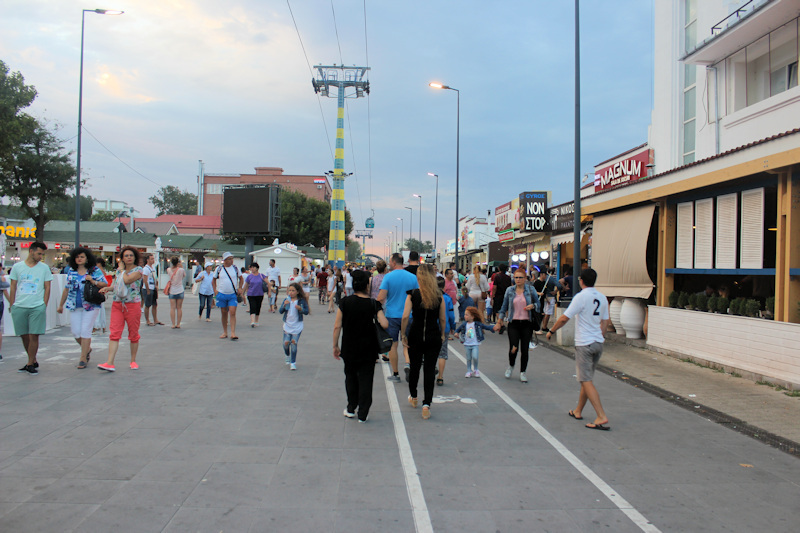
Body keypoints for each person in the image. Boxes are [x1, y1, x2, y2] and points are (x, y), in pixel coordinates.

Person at [547, 268, 611, 430]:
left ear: (581, 280)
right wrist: (600, 337)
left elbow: (564, 318)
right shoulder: (602, 298)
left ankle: (601, 416)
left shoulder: (581, 297)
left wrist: (551, 331)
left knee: (585, 380)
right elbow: (605, 322)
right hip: (597, 342)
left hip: (585, 343)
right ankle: (578, 410)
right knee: (587, 378)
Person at [333, 270, 388, 422]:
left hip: (349, 347)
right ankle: (363, 413)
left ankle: (351, 408)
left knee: (350, 377)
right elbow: (384, 323)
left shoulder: (345, 302)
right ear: (367, 286)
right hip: (368, 349)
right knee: (366, 379)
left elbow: (337, 326)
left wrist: (335, 346)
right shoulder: (373, 304)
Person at [401, 264, 445, 420]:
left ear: (419, 277)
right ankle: (427, 405)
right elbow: (442, 318)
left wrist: (403, 334)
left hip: (416, 334)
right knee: (429, 370)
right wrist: (442, 334)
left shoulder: (412, 294)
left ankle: (413, 397)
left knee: (414, 367)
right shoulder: (439, 295)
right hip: (433, 335)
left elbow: (405, 316)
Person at [56, 247, 108, 369]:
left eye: (82, 257)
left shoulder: (94, 270)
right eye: (77, 257)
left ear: (87, 258)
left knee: (85, 331)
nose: (79, 259)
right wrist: (60, 305)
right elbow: (66, 288)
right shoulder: (72, 271)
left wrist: (93, 281)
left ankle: (83, 358)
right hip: (75, 305)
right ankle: (87, 349)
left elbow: (104, 283)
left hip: (90, 305)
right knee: (75, 332)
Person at [8, 242, 53, 375]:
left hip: (37, 305)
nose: (40, 256)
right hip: (20, 305)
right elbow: (13, 286)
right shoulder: (17, 267)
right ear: (31, 251)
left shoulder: (44, 268)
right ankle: (32, 359)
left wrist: (44, 304)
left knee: (34, 334)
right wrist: (12, 304)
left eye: (42, 254)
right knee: (23, 334)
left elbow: (47, 287)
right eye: (39, 253)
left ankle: (29, 363)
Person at [97, 246, 143, 372]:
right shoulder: (119, 271)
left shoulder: (139, 270)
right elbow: (117, 285)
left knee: (133, 334)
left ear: (135, 257)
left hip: (132, 304)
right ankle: (110, 362)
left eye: (131, 255)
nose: (128, 258)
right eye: (126, 255)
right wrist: (108, 288)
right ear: (122, 258)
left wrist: (122, 271)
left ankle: (133, 360)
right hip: (118, 304)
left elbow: (127, 280)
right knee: (114, 333)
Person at [377, 253, 418, 383]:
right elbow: (417, 296)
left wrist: (377, 311)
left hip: (392, 316)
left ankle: (395, 373)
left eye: (390, 262)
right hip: (409, 315)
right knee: (407, 343)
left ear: (394, 263)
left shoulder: (388, 277)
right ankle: (408, 363)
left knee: (393, 345)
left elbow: (381, 297)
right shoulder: (413, 277)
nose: (389, 264)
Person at [494, 268, 540, 382]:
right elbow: (504, 307)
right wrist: (499, 321)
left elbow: (539, 304)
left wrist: (533, 306)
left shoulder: (530, 289)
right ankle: (511, 365)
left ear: (525, 278)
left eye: (520, 277)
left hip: (526, 323)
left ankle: (523, 372)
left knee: (525, 349)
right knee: (513, 347)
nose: (518, 280)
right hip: (513, 323)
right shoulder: (510, 290)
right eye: (516, 277)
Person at [455, 305, 494, 378]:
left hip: (475, 343)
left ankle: (476, 369)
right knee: (468, 358)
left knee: (475, 357)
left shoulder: (477, 324)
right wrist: (456, 332)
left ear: (472, 317)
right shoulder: (464, 324)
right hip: (467, 344)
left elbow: (485, 327)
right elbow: (458, 329)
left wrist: (493, 328)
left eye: (467, 315)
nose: (465, 316)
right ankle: (469, 370)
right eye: (465, 314)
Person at [212, 252, 243, 340]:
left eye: (232, 258)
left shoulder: (235, 268)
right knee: (224, 312)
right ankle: (225, 332)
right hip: (222, 293)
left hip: (232, 293)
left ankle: (233, 332)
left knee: (232, 312)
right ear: (224, 260)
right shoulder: (219, 269)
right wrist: (215, 290)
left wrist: (240, 288)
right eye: (229, 259)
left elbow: (241, 278)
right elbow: (213, 280)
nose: (231, 260)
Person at [280, 282, 309, 370]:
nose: (291, 292)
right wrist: (284, 305)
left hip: (297, 326)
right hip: (287, 325)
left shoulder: (301, 301)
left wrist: (301, 309)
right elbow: (280, 311)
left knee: (293, 343)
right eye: (289, 290)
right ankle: (287, 355)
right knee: (285, 344)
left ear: (297, 292)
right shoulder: (286, 299)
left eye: (293, 290)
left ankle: (293, 362)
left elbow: (306, 311)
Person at [436, 277, 456, 386]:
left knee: (432, 351)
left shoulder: (431, 298)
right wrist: (453, 326)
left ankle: (432, 370)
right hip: (445, 327)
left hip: (433, 327)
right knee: (442, 353)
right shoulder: (447, 299)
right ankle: (440, 377)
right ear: (444, 286)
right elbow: (451, 315)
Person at [242, 262, 268, 327]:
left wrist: (269, 291)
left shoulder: (261, 275)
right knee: (252, 307)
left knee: (258, 307)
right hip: (251, 294)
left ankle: (256, 320)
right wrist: (242, 292)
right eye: (251, 267)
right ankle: (252, 321)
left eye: (253, 267)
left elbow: (268, 283)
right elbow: (246, 285)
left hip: (259, 294)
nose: (252, 269)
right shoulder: (249, 276)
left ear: (257, 268)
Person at [141, 254, 163, 326]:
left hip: (153, 287)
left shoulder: (153, 268)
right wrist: (147, 289)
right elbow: (145, 279)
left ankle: (155, 319)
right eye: (151, 259)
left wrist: (156, 285)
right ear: (147, 260)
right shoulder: (146, 269)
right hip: (148, 288)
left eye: (153, 259)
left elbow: (155, 278)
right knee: (147, 305)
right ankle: (147, 320)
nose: (153, 260)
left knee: (154, 304)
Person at [165, 256, 186, 329]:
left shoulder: (168, 270)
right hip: (180, 290)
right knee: (179, 308)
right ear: (178, 262)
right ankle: (178, 323)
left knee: (172, 308)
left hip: (172, 291)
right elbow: (184, 276)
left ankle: (173, 324)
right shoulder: (181, 270)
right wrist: (181, 265)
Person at [535, 269, 558, 334]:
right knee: (538, 314)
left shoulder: (544, 283)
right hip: (537, 300)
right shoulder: (537, 282)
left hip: (543, 300)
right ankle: (537, 328)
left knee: (542, 314)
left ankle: (539, 327)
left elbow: (545, 293)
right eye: (545, 275)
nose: (546, 276)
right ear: (541, 275)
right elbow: (533, 291)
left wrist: (547, 299)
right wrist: (539, 293)